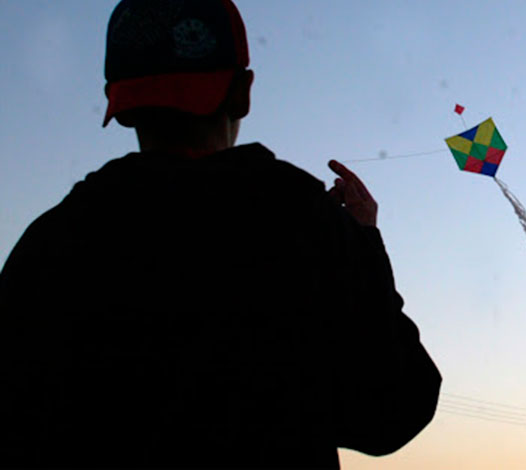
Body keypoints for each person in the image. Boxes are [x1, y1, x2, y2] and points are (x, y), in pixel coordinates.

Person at [0, 0, 441, 467]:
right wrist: (363, 243)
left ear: (120, 102)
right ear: (243, 93)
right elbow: (394, 410)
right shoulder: (305, 223)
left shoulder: (51, 243)